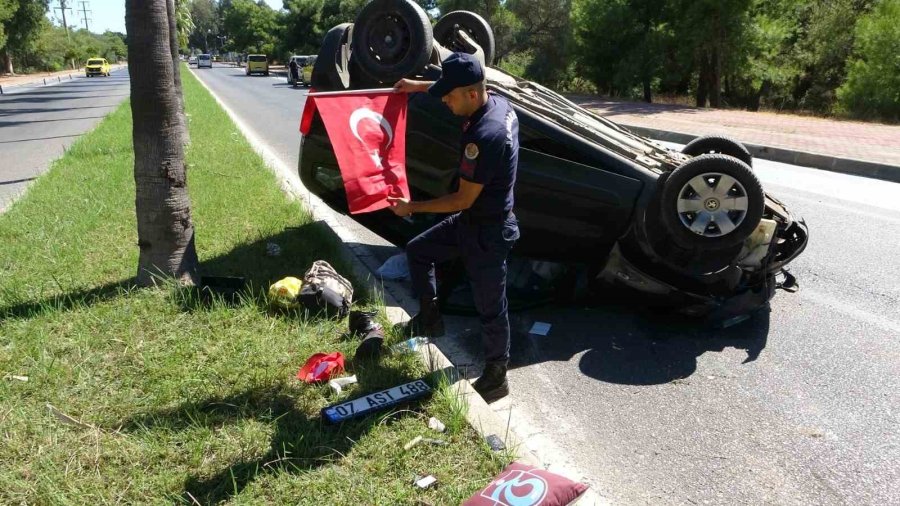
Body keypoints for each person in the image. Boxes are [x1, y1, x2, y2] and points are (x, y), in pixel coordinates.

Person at [389, 52, 520, 403]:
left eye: (450, 96)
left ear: (473, 95)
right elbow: (454, 86)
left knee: (491, 306)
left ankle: (496, 376)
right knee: (419, 250)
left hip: (488, 230)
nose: (445, 100)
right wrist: (418, 87)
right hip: (473, 221)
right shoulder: (498, 102)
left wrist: (411, 206)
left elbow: (462, 199)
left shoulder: (485, 136)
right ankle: (429, 319)